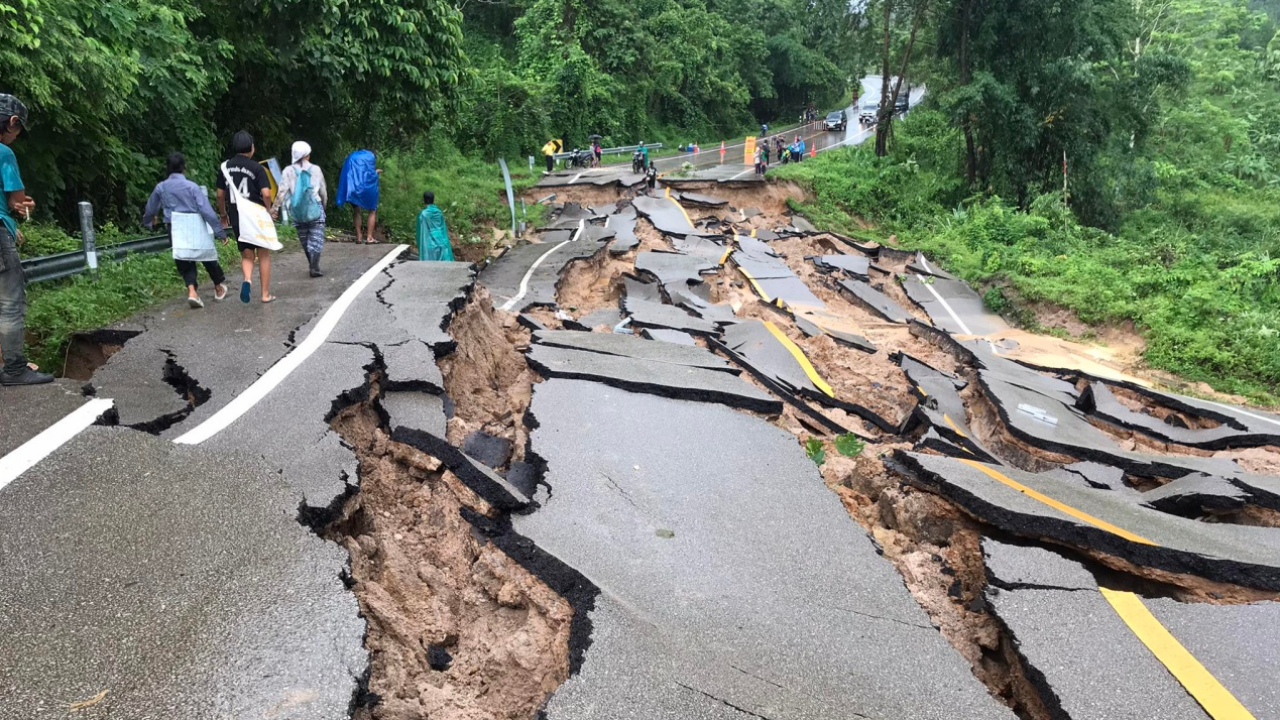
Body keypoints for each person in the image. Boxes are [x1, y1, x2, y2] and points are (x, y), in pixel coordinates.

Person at [0, 94, 51, 385]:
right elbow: (18, 200)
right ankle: (15, 368)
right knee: (9, 303)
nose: (17, 136)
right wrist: (20, 208)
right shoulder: (3, 153)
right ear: (12, 122)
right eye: (18, 130)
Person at [143, 152, 230, 308]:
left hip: (174, 226)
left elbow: (150, 209)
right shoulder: (192, 187)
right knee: (206, 254)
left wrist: (149, 222)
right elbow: (206, 210)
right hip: (194, 224)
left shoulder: (161, 187)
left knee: (183, 258)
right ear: (184, 168)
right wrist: (220, 232)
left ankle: (192, 291)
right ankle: (218, 288)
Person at [216, 131, 277, 303]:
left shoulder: (224, 167)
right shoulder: (257, 168)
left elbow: (220, 195)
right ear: (251, 148)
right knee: (263, 254)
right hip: (256, 215)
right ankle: (265, 295)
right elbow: (266, 193)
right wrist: (269, 210)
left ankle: (247, 280)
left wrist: (223, 215)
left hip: (237, 216)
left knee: (247, 254)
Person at [273, 141, 328, 277]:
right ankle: (314, 265)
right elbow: (323, 191)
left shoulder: (288, 171)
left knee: (304, 239)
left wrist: (274, 209)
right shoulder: (315, 169)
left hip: (297, 211)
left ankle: (312, 263)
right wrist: (324, 207)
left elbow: (281, 192)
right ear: (307, 155)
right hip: (315, 207)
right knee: (316, 237)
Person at [338, 149, 381, 245]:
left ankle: (359, 236)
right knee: (372, 210)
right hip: (367, 189)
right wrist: (376, 172)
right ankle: (369, 237)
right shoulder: (370, 158)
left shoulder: (353, 157)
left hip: (354, 188)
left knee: (357, 210)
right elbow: (370, 176)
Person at [416, 191, 455, 262]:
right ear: (433, 200)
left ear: (424, 200)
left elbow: (420, 232)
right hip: (441, 243)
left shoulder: (423, 214)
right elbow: (443, 230)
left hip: (429, 245)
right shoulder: (439, 213)